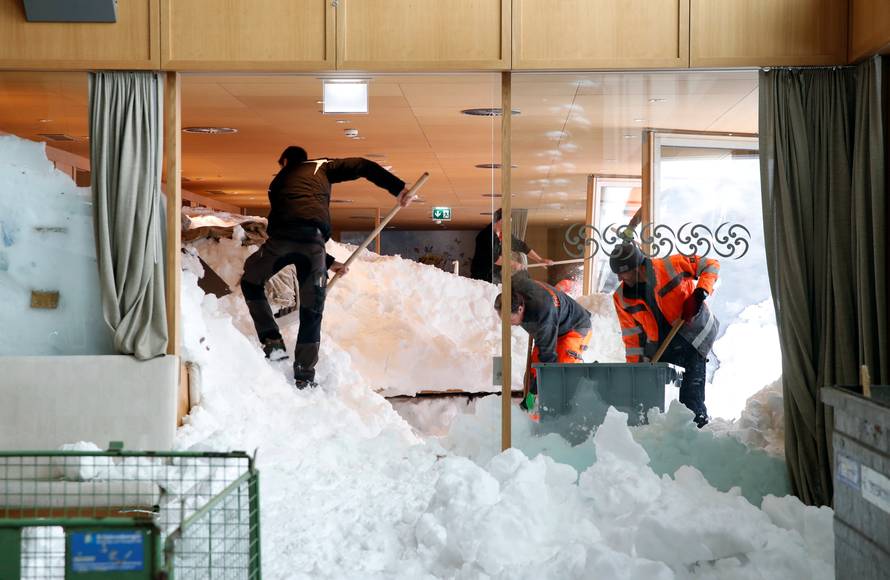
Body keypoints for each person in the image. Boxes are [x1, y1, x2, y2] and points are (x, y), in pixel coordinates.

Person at [240, 146, 413, 389]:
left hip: (280, 242)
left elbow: (293, 223)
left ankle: (273, 344)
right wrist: (398, 188)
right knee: (312, 312)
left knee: (251, 281)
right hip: (313, 246)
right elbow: (363, 165)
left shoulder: (278, 181)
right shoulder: (322, 166)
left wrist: (330, 263)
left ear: (286, 161)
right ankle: (304, 375)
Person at [608, 242, 720, 427]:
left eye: (623, 272)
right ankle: (670, 440)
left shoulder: (670, 265)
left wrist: (699, 293)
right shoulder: (621, 297)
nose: (620, 277)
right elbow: (632, 338)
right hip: (664, 346)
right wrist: (636, 371)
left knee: (690, 398)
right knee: (664, 402)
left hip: (694, 335)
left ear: (637, 266)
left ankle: (699, 432)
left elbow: (711, 264)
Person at [494, 274, 592, 412]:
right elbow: (519, 272)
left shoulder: (542, 316)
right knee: (535, 368)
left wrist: (533, 393)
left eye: (510, 319)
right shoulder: (514, 285)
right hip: (554, 324)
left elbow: (547, 362)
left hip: (575, 327)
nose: (507, 324)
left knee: (561, 372)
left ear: (520, 309)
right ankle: (533, 408)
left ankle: (564, 411)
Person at [470, 208, 552, 283]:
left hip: (495, 274)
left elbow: (522, 246)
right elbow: (495, 259)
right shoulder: (486, 236)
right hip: (481, 276)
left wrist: (540, 260)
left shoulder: (504, 234)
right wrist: (513, 264)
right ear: (499, 220)